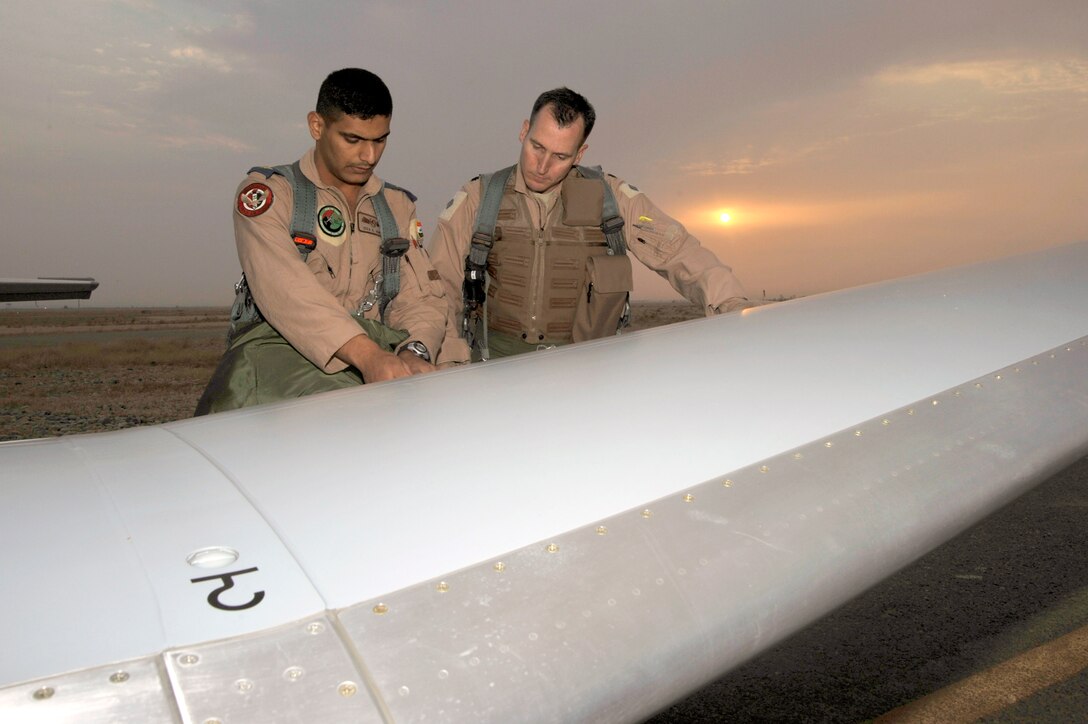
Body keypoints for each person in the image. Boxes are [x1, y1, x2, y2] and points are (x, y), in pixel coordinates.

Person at [428, 87, 750, 362]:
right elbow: (440, 285)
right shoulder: (479, 198)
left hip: (586, 367)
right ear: (523, 131)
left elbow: (678, 251)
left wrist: (734, 305)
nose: (541, 166)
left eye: (560, 156)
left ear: (580, 154)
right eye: (536, 146)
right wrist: (450, 364)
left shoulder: (611, 199)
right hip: (494, 363)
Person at [196, 68, 447, 414]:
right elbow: (287, 292)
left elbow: (421, 297)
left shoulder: (397, 207)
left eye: (380, 140)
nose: (369, 157)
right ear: (317, 126)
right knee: (347, 418)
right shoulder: (269, 195)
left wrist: (414, 351)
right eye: (353, 140)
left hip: (375, 350)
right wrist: (368, 356)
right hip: (278, 347)